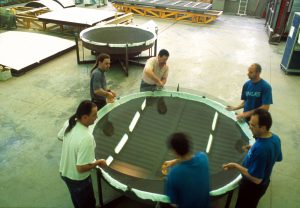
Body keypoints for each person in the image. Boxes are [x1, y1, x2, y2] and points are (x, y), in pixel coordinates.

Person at [223, 109, 282, 208]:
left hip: (251, 189)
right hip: (264, 183)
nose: (250, 127)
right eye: (250, 123)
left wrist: (236, 166)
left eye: (253, 125)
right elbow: (277, 157)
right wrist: (252, 149)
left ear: (263, 128)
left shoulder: (261, 149)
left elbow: (256, 179)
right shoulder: (275, 138)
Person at [58, 100, 107, 208]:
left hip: (64, 172)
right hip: (78, 180)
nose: (97, 117)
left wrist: (73, 148)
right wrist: (98, 162)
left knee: (77, 200)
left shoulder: (70, 122)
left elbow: (60, 137)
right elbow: (81, 168)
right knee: (87, 204)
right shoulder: (86, 138)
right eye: (94, 115)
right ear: (84, 117)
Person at [162, 133, 210, 208]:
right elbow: (192, 157)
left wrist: (168, 179)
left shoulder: (174, 174)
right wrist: (175, 161)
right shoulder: (203, 158)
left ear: (174, 151)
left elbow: (174, 204)